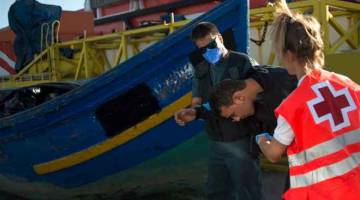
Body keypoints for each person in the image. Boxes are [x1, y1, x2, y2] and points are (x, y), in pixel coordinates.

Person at [255, 1, 360, 199]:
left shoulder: (293, 106)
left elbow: (273, 154)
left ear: (288, 54)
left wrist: (261, 140)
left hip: (321, 194)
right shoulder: (349, 85)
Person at [174, 22, 261, 200]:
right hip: (216, 143)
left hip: (242, 141)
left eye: (211, 45)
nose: (208, 52)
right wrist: (188, 114)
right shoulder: (201, 71)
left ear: (220, 38)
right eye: (202, 50)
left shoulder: (243, 62)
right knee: (215, 193)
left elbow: (259, 98)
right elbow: (196, 103)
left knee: (248, 193)